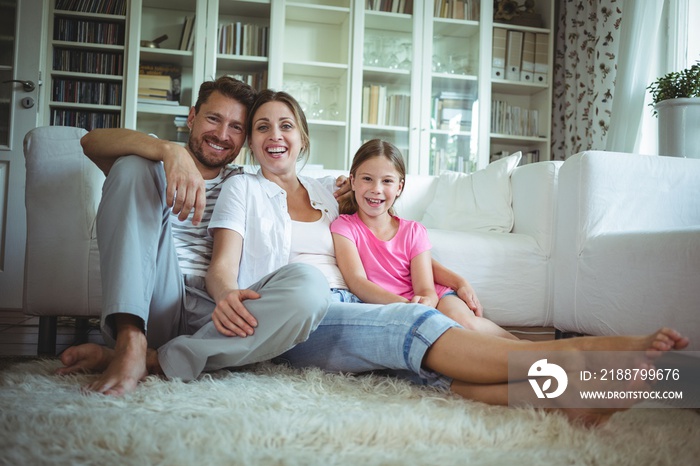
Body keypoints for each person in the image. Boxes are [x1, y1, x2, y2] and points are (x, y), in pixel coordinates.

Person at [206, 88, 689, 424]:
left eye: (286, 125)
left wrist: (448, 277)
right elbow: (223, 268)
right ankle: (576, 356)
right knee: (415, 326)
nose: (275, 134)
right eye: (263, 126)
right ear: (250, 141)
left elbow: (386, 227)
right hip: (304, 315)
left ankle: (565, 401)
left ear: (303, 137)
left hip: (352, 311)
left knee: (433, 375)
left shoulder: (327, 192)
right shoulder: (242, 189)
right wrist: (226, 295)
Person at [57, 77, 336, 395]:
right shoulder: (154, 164)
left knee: (310, 286)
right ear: (192, 117)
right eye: (213, 119)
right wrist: (168, 152)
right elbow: (91, 142)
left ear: (245, 138)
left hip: (214, 314)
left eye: (235, 127)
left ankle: (153, 359)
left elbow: (313, 187)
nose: (221, 134)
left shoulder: (245, 183)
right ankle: (130, 340)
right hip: (153, 298)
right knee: (131, 166)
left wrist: (350, 189)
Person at [331, 139, 517, 340]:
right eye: (367, 179)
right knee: (449, 341)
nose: (376, 188)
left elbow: (426, 289)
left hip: (434, 299)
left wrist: (426, 301)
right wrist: (407, 307)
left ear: (399, 187)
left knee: (464, 324)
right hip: (399, 306)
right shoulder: (344, 227)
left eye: (387, 181)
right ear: (353, 181)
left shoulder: (413, 230)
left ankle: (529, 352)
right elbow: (357, 282)